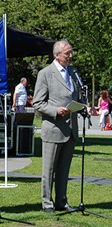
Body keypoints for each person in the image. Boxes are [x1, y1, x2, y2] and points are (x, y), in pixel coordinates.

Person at [33, 39, 82, 213]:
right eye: (67, 53)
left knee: (63, 170)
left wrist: (81, 106)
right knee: (49, 169)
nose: (71, 56)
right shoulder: (46, 73)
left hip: (70, 129)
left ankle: (62, 201)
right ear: (56, 55)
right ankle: (47, 203)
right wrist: (55, 110)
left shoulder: (72, 72)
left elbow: (75, 95)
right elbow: (37, 103)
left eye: (71, 52)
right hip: (54, 128)